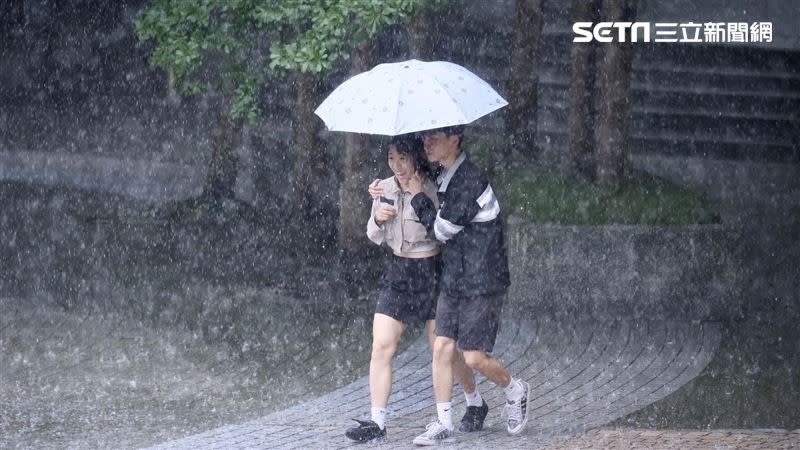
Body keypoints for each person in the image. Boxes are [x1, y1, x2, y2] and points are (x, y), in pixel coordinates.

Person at [345, 134, 485, 443]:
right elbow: (373, 236)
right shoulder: (383, 188)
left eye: (403, 159)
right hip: (399, 272)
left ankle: (473, 402)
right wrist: (378, 217)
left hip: (432, 271)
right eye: (391, 159)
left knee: (445, 349)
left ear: (415, 159)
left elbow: (443, 230)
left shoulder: (434, 185)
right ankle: (377, 421)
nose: (397, 166)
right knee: (382, 344)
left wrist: (419, 195)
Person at [405, 125, 530, 445]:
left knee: (473, 357)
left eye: (434, 139)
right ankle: (442, 422)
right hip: (455, 277)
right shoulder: (446, 174)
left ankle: (515, 390)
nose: (426, 144)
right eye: (424, 138)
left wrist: (418, 196)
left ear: (454, 140)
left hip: (483, 280)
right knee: (442, 346)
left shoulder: (469, 181)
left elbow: (440, 231)